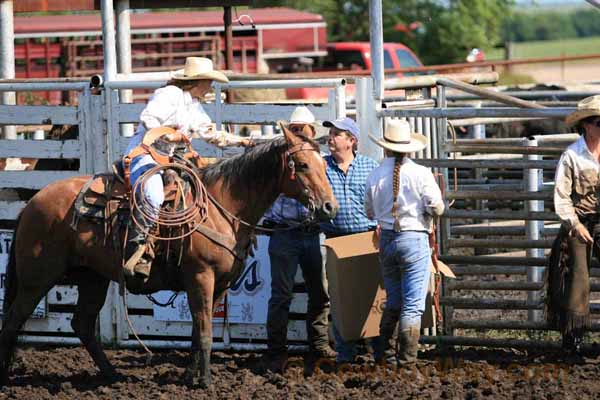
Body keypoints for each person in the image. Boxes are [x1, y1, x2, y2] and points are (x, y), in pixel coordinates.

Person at [123, 57, 252, 281]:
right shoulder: (169, 95)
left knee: (202, 190)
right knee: (153, 194)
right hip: (145, 155)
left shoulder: (195, 106)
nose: (211, 86)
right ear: (197, 81)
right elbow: (148, 119)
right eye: (208, 81)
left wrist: (242, 142)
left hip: (171, 159)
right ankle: (139, 246)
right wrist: (169, 134)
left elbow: (212, 134)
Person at [262, 106, 336, 373]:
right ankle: (276, 350)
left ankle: (317, 344)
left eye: (302, 129)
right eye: (295, 129)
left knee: (319, 292)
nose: (299, 133)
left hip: (310, 231)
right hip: (285, 231)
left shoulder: (317, 159)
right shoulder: (279, 160)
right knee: (282, 294)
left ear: (311, 131)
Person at [365, 118, 444, 365]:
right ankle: (407, 360)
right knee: (412, 305)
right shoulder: (421, 173)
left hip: (387, 239)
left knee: (395, 300)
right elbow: (437, 207)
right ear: (409, 147)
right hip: (413, 239)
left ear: (386, 146)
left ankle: (384, 354)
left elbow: (369, 212)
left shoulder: (375, 174)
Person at [320, 116, 379, 364]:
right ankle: (346, 353)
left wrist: (380, 224)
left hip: (368, 238)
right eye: (331, 133)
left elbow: (381, 198)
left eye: (337, 134)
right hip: (336, 239)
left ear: (351, 141)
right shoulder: (321, 166)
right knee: (341, 299)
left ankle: (377, 350)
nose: (330, 138)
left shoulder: (370, 167)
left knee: (372, 298)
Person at [547, 95, 600, 352]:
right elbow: (561, 196)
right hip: (580, 220)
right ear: (587, 126)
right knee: (578, 273)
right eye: (599, 123)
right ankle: (573, 334)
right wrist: (575, 224)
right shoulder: (572, 155)